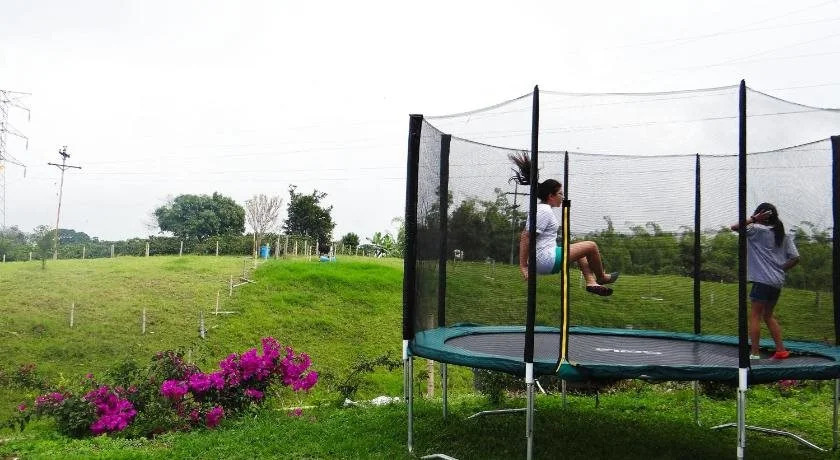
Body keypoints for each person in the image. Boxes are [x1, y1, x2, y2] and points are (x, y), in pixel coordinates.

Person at [510, 153, 618, 296]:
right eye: (560, 194)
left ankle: (591, 282)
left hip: (542, 259)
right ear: (551, 196)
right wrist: (523, 266)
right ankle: (602, 277)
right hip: (545, 260)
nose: (563, 197)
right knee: (591, 246)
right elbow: (526, 236)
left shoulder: (542, 209)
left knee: (580, 251)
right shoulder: (544, 211)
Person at [730, 203, 800, 360]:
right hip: (776, 282)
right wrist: (780, 269)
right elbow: (796, 258)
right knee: (768, 315)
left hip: (762, 281)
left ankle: (755, 353)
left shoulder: (757, 229)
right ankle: (781, 350)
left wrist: (754, 219)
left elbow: (734, 227)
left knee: (755, 316)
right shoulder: (783, 234)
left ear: (761, 215)